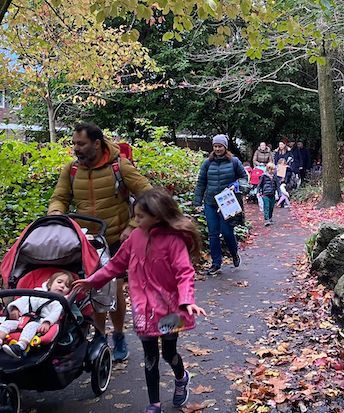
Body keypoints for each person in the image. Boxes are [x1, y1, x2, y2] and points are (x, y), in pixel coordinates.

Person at [73, 188, 207, 411]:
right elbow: (116, 264)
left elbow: (185, 272)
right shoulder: (135, 237)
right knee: (150, 356)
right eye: (135, 216)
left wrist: (187, 300)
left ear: (157, 216)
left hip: (170, 310)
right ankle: (154, 403)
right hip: (142, 308)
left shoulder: (173, 241)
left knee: (169, 353)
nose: (136, 221)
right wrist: (93, 280)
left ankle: (181, 377)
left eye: (140, 217)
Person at [48, 122, 151, 362]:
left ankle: (118, 335)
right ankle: (100, 336)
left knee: (113, 288)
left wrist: (133, 226)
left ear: (96, 143)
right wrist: (55, 214)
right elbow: (60, 197)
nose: (76, 148)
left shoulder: (119, 166)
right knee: (88, 287)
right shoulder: (71, 170)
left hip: (115, 238)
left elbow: (147, 195)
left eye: (81, 144)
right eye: (74, 143)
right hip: (85, 241)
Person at [193, 134, 247, 275]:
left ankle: (234, 254)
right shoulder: (207, 163)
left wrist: (235, 186)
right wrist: (197, 201)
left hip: (227, 203)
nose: (217, 149)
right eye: (215, 146)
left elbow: (244, 179)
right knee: (213, 234)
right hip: (210, 202)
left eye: (220, 146)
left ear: (225, 147)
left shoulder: (234, 162)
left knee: (227, 232)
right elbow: (201, 183)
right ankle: (216, 263)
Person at [0, 271, 73, 359]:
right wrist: (15, 308)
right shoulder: (37, 292)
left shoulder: (60, 302)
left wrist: (47, 322)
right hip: (23, 318)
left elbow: (55, 314)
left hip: (39, 323)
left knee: (31, 326)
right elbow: (24, 300)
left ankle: (20, 347)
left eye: (67, 286)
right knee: (7, 323)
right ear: (49, 284)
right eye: (59, 282)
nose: (62, 286)